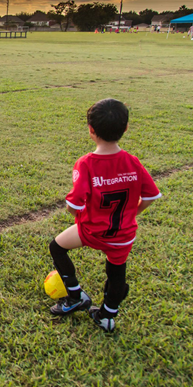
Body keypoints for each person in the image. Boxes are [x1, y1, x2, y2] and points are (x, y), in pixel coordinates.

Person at [48, 98, 161, 332]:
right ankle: (107, 315)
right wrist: (133, 212)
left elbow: (74, 205)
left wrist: (75, 214)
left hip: (92, 230)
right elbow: (150, 196)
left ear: (91, 130)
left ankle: (75, 296)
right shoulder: (133, 162)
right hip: (123, 235)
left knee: (57, 247)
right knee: (117, 273)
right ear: (126, 128)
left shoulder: (87, 163)